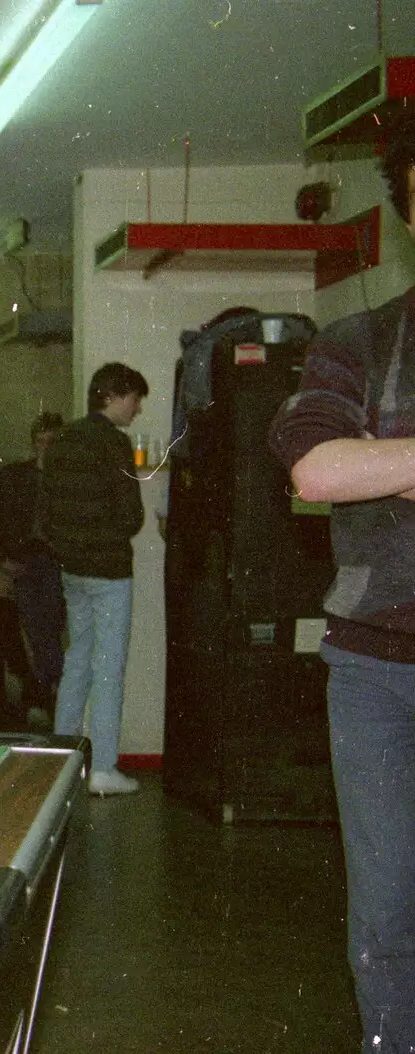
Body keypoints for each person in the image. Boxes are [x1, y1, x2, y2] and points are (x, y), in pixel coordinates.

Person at [270, 115, 415, 1054]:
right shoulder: (361, 340)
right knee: (391, 910)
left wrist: (391, 461)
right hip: (379, 672)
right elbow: (317, 471)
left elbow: (357, 466)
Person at [39, 362, 148, 796]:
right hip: (109, 570)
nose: (136, 409)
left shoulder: (63, 439)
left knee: (77, 659)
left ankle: (59, 761)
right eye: (134, 399)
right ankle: (103, 767)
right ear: (113, 396)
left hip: (72, 569)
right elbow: (132, 514)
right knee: (109, 667)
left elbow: (45, 506)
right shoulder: (113, 443)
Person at [0, 411, 68, 726]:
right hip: (27, 560)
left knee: (46, 629)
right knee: (38, 629)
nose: (44, 448)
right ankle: (46, 691)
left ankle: (41, 692)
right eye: (41, 442)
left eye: (51, 442)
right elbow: (3, 519)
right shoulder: (17, 476)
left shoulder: (66, 479)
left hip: (55, 561)